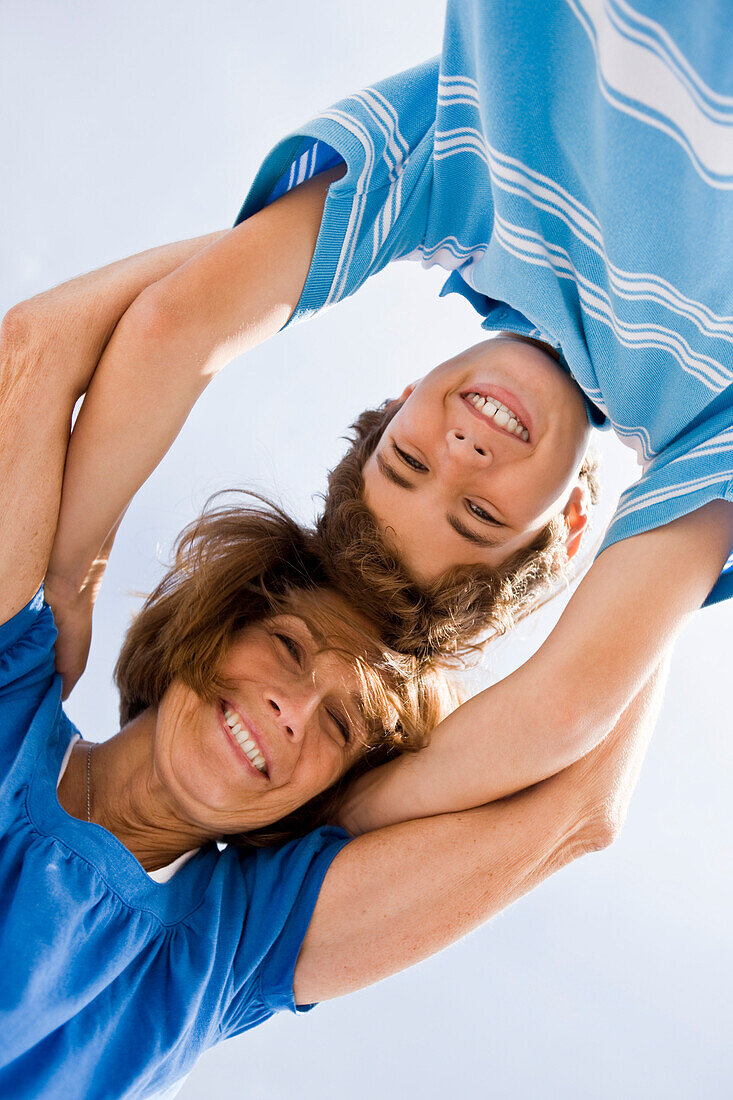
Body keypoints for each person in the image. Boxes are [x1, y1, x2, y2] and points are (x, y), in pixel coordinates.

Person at [2, 264, 667, 1100]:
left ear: (329, 802)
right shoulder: (9, 695)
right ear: (214, 626)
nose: (292, 709)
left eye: (342, 728)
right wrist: (365, 225)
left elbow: (578, 812)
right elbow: (33, 347)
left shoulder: (228, 946)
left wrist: (678, 458)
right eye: (285, 647)